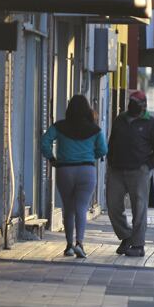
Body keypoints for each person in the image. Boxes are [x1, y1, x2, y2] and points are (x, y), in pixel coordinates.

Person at [41, 95, 107, 259]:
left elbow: (44, 142)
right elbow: (103, 150)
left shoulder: (60, 126)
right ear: (87, 110)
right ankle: (80, 243)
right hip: (87, 169)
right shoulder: (95, 129)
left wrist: (52, 158)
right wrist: (92, 154)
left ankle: (69, 245)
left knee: (68, 208)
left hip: (65, 170)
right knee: (81, 208)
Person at [106, 90, 154, 257]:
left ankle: (138, 245)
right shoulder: (120, 119)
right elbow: (112, 142)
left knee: (139, 209)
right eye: (130, 102)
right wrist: (110, 163)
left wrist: (147, 167)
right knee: (113, 206)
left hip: (139, 172)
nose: (132, 106)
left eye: (136, 103)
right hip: (116, 170)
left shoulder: (152, 123)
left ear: (143, 106)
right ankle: (126, 236)